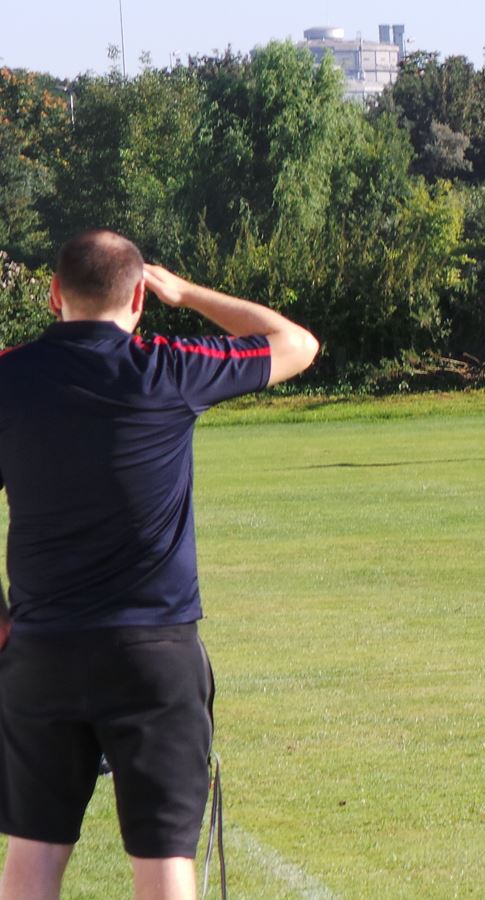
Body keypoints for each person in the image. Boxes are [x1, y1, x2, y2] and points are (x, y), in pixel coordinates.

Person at [0, 229, 319, 899]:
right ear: (141, 297)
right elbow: (297, 343)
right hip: (153, 653)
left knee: (34, 852)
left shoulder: (8, 375)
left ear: (54, 294)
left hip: (41, 651)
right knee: (165, 857)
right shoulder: (167, 367)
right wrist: (190, 293)